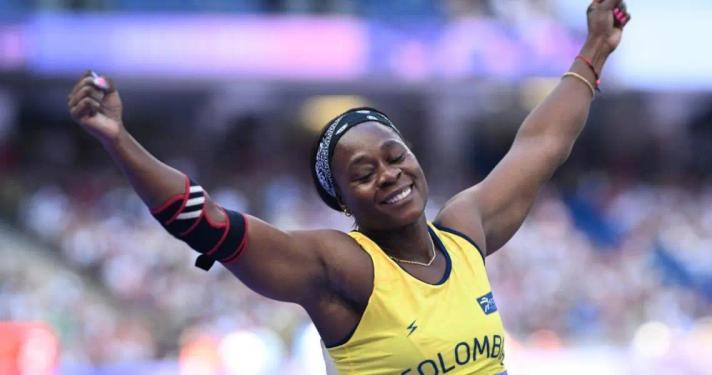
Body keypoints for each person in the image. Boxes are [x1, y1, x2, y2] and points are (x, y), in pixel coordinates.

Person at [66, 1, 630, 373]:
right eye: (362, 174)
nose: (388, 174)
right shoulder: (343, 267)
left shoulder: (466, 232)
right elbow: (205, 223)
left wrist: (595, 50)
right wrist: (118, 139)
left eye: (394, 156)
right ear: (343, 200)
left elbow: (541, 145)